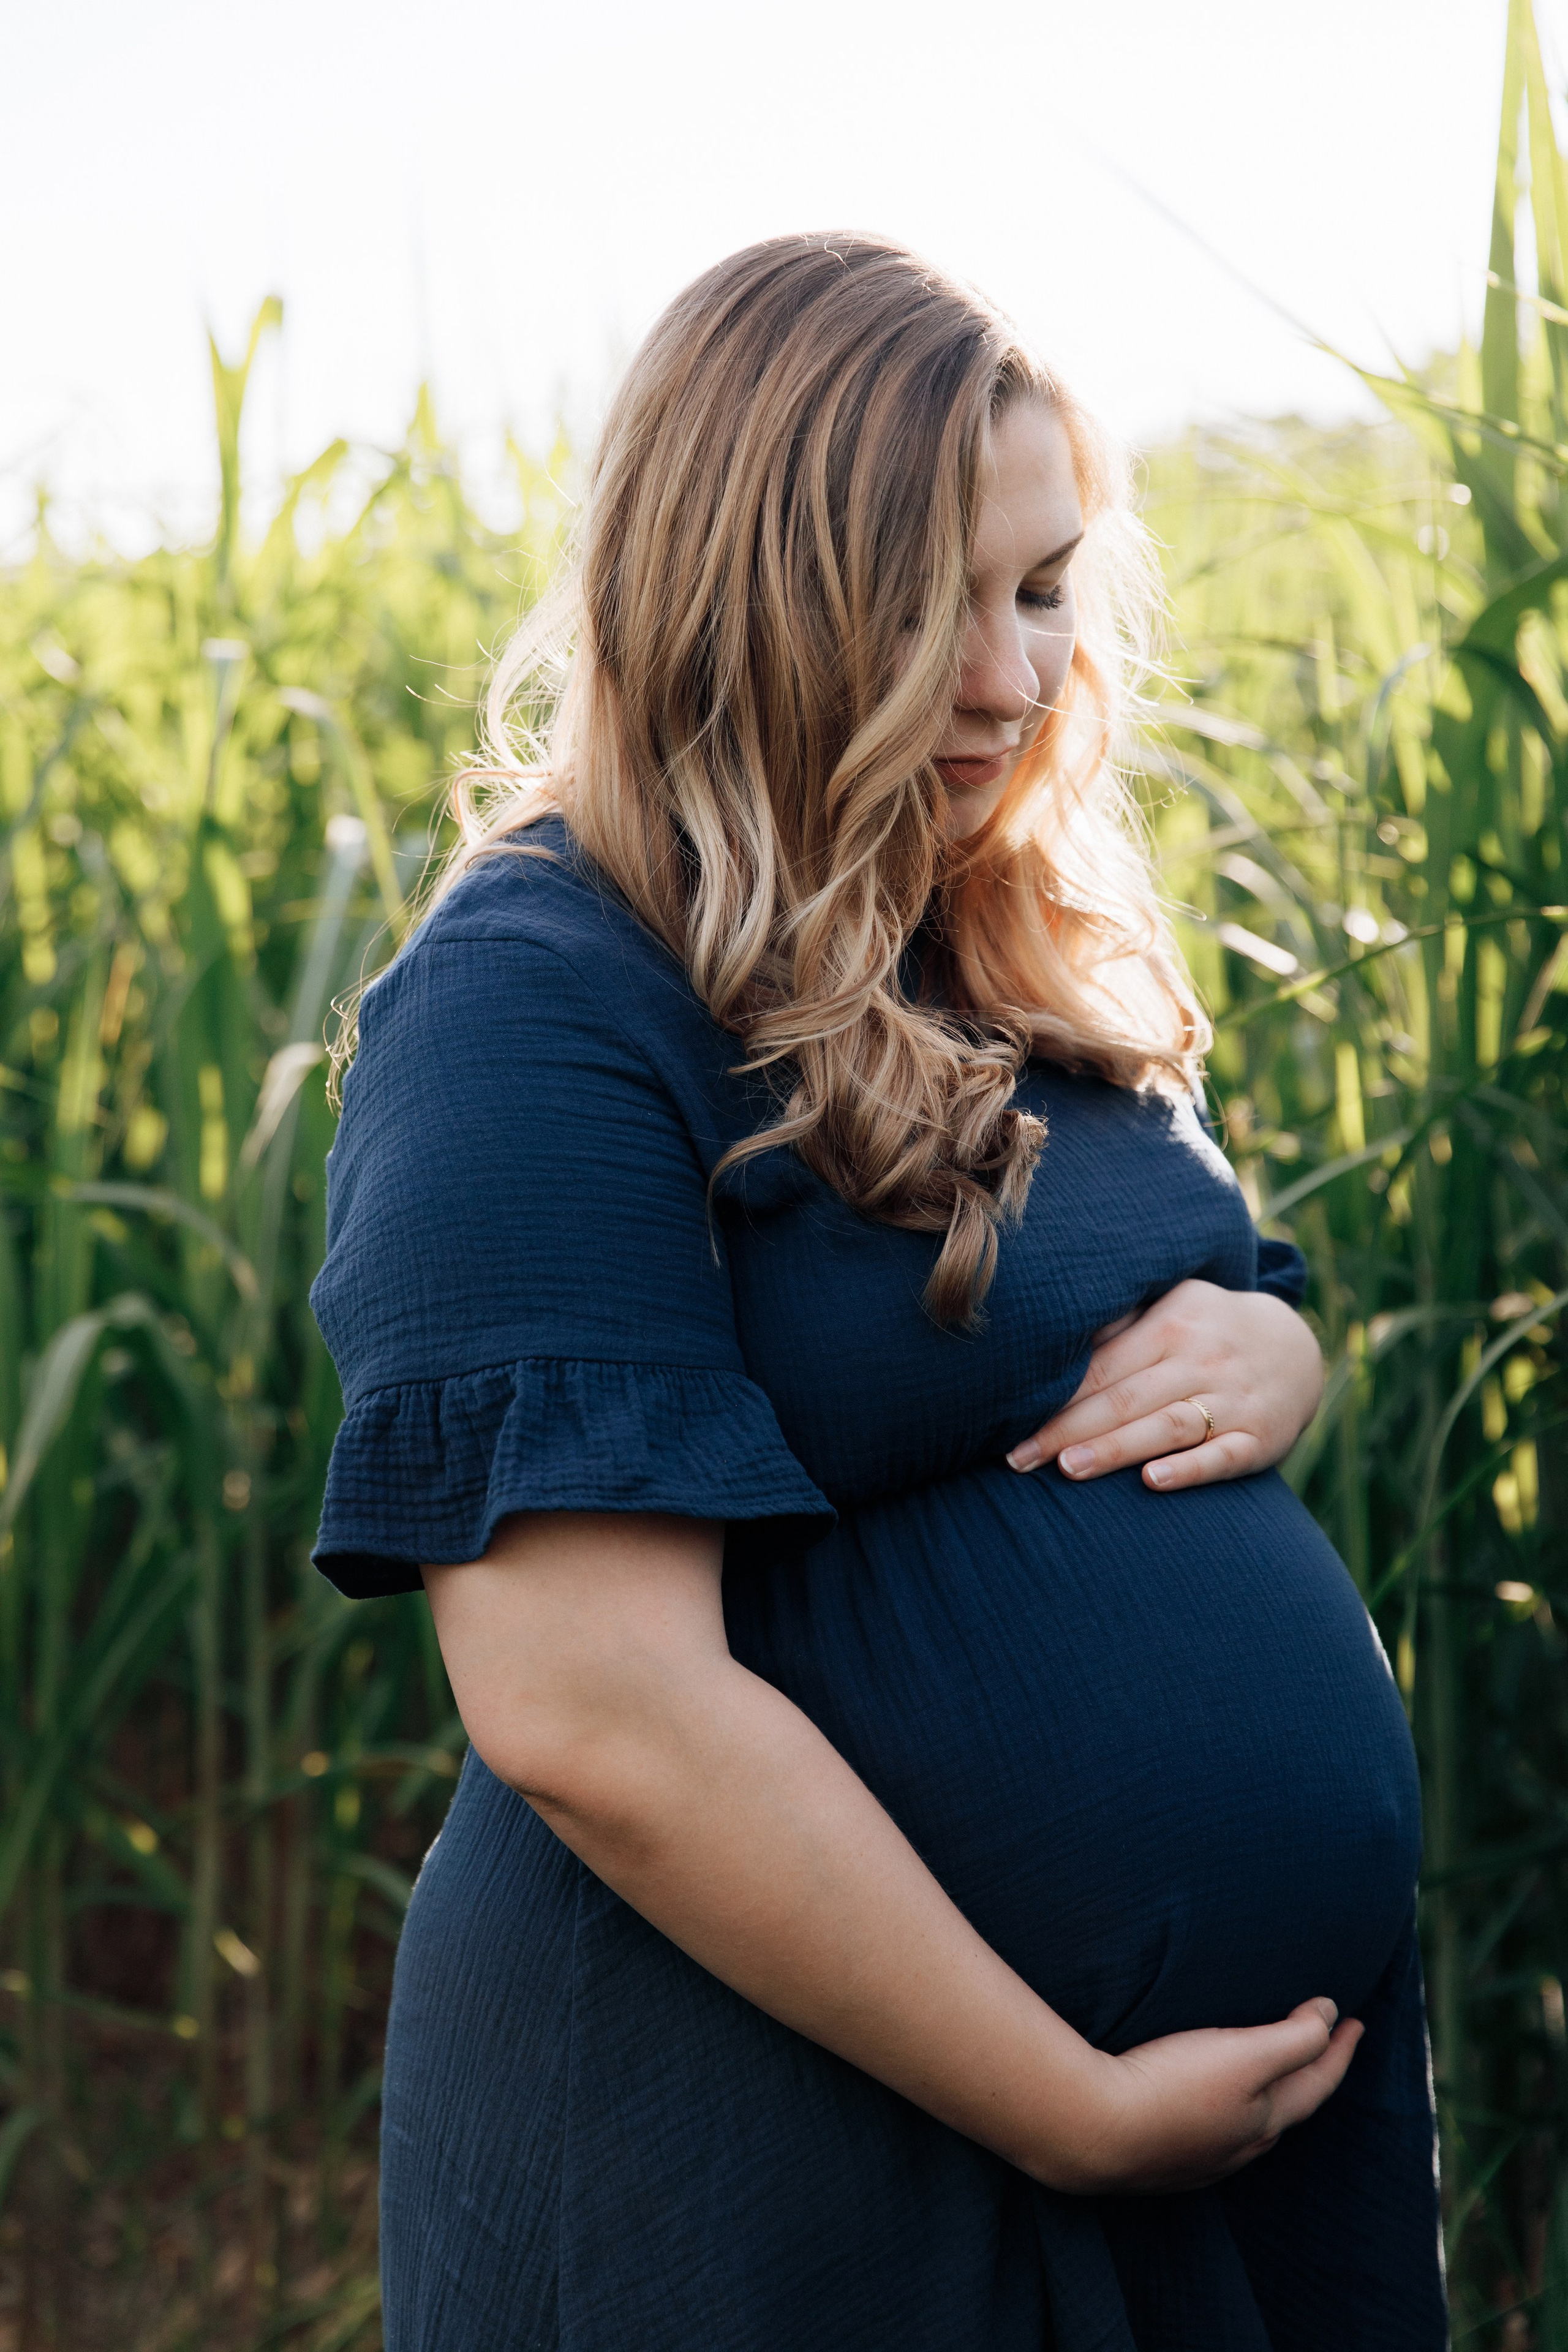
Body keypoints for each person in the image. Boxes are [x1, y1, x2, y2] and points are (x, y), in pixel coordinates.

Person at [309, 235, 1445, 2350]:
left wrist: (1278, 1351)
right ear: (751, 593)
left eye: (1043, 589)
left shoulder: (990, 929)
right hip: (788, 2158)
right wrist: (1077, 2110)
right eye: (939, 606)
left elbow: (1210, 1278)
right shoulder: (539, 994)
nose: (1020, 675)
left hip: (1216, 2155)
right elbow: (591, 1711)